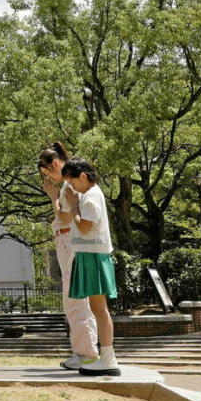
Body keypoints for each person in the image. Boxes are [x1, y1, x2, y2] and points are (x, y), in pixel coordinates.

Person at [38, 142, 98, 370]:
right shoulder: (70, 185)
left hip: (69, 242)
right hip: (70, 243)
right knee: (77, 300)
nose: (49, 177)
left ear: (55, 163)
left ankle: (85, 352)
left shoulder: (66, 187)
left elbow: (63, 217)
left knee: (74, 300)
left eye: (48, 172)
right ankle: (85, 350)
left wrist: (52, 197)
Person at [62, 157, 120, 375]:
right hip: (92, 254)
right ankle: (107, 357)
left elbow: (85, 227)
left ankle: (108, 358)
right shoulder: (91, 195)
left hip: (93, 255)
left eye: (73, 182)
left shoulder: (91, 197)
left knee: (99, 308)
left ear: (83, 176)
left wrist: (74, 205)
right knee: (98, 308)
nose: (73, 187)